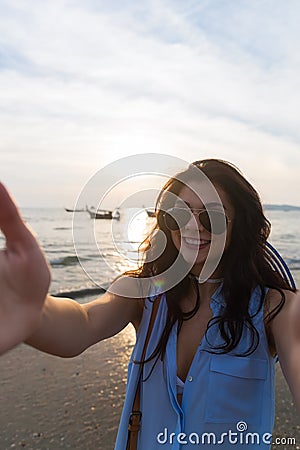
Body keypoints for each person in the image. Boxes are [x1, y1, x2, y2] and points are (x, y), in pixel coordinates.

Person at [0, 159, 299, 450]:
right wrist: (32, 309)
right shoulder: (144, 293)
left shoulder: (275, 308)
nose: (192, 227)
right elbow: (83, 322)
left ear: (240, 224)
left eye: (210, 216)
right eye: (179, 215)